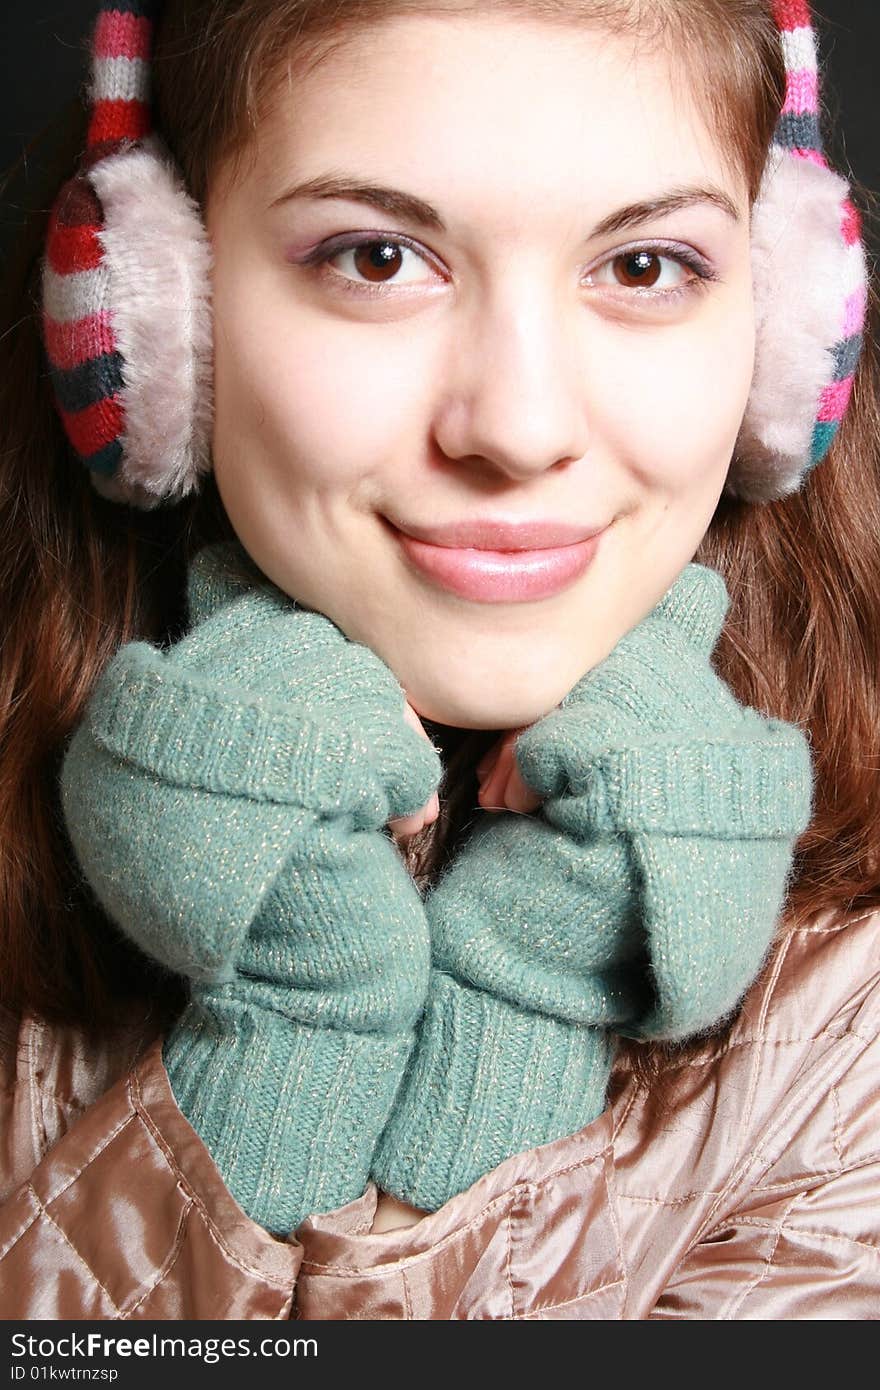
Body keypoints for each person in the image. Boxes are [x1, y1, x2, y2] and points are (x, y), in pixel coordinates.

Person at [0, 0, 877, 1319]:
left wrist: (517, 1018)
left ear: (784, 327)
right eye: (374, 256)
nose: (516, 428)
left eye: (645, 266)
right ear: (152, 315)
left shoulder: (857, 1030)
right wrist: (296, 1026)